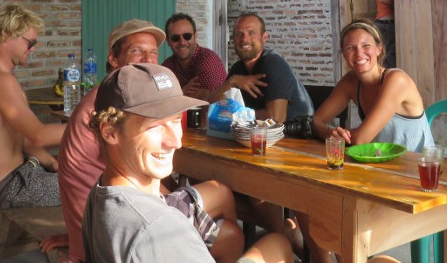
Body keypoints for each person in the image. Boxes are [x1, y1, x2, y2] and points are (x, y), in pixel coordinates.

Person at [59, 19, 243, 263]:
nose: (147, 59)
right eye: (137, 51)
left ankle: (201, 245)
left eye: (153, 52)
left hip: (102, 213)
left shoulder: (106, 97)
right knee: (252, 236)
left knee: (222, 203)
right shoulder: (113, 105)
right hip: (114, 224)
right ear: (113, 59)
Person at [83, 62, 293, 263]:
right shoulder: (159, 230)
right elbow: (157, 231)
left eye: (176, 121)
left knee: (230, 227)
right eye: (155, 126)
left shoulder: (101, 193)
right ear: (110, 131)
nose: (175, 141)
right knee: (278, 245)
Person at [0, 3, 65, 209]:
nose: (33, 48)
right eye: (30, 42)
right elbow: (39, 135)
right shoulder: (0, 81)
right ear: (6, 36)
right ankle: (75, 239)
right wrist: (91, 126)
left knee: (84, 174)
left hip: (18, 176)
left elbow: (23, 140)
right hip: (9, 186)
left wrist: (51, 162)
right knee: (96, 185)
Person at [312, 19, 433, 152]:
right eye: (350, 48)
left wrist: (341, 136)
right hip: (380, 163)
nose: (359, 53)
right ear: (344, 54)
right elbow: (316, 121)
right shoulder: (350, 82)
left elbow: (360, 139)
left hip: (417, 166)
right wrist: (332, 134)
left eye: (366, 46)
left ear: (378, 49)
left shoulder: (396, 80)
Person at [212, 12, 313, 124]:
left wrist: (235, 115)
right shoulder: (238, 69)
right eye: (239, 34)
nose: (244, 39)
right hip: (255, 135)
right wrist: (232, 81)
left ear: (264, 37)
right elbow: (212, 108)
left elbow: (275, 118)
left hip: (294, 136)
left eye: (251, 33)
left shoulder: (273, 63)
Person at [162, 12, 227, 102]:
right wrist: (181, 93)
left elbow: (219, 101)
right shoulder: (167, 67)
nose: (182, 42)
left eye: (187, 36)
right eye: (175, 38)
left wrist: (175, 96)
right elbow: (160, 102)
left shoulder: (208, 61)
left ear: (195, 36)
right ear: (168, 41)